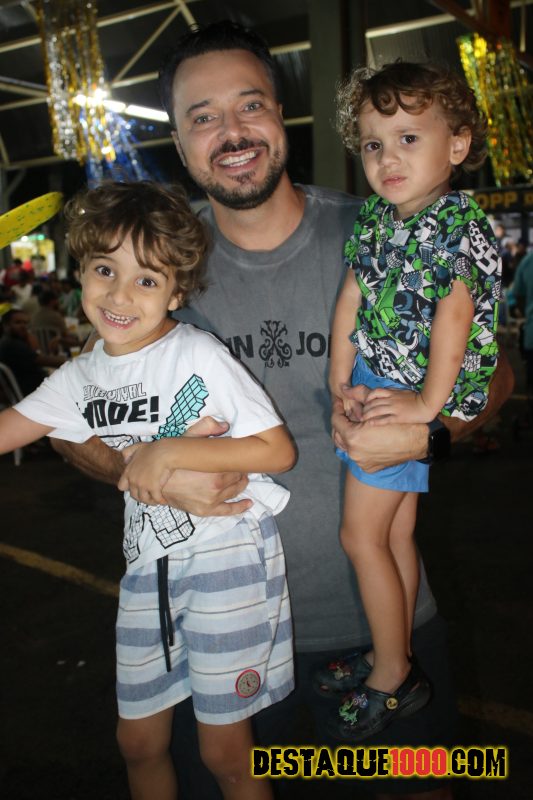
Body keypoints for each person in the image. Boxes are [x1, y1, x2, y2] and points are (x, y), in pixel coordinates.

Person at [52, 20, 514, 800]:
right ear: (179, 141)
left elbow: (493, 374)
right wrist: (139, 467)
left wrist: (428, 433)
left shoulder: (380, 225)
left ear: (281, 115)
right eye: (202, 116)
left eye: (250, 105)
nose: (231, 132)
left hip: (378, 627)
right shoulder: (151, 266)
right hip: (217, 632)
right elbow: (74, 420)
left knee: (420, 789)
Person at [0, 180, 296, 800]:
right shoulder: (78, 378)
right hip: (145, 569)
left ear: (177, 292)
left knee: (225, 754)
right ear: (81, 270)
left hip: (227, 561)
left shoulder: (197, 355)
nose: (120, 295)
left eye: (147, 279)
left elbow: (277, 450)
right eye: (105, 270)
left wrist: (167, 451)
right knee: (137, 743)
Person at [321, 61, 501, 742]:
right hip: (378, 376)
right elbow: (353, 293)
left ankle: (393, 674)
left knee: (358, 536)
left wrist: (426, 408)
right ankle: (388, 649)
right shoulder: (376, 219)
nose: (387, 158)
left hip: (407, 392)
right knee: (393, 534)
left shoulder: (456, 225)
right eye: (373, 143)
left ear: (456, 144)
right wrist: (339, 374)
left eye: (407, 138)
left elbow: (454, 317)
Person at [0, 307, 65, 395]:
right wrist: (70, 359)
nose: (23, 326)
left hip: (34, 387)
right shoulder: (12, 345)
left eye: (25, 323)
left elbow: (37, 353)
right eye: (18, 322)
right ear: (6, 325)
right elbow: (47, 361)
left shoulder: (7, 341)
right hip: (37, 391)